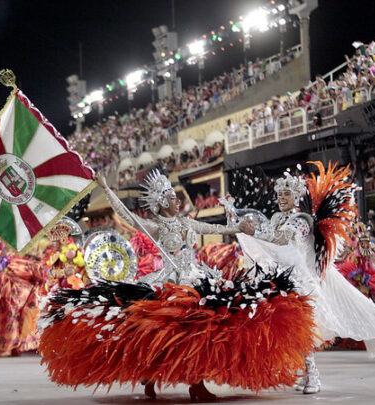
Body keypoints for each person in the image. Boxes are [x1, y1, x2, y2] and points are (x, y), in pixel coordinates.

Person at [39, 170, 316, 401]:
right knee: (164, 330)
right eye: (171, 198)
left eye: (176, 197)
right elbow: (126, 216)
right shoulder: (156, 226)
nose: (177, 201)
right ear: (161, 204)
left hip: (196, 276)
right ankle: (152, 375)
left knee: (201, 331)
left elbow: (216, 229)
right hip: (170, 281)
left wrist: (238, 228)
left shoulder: (187, 223)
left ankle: (197, 382)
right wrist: (107, 189)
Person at [238, 164, 375, 395]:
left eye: (287, 194)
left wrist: (253, 232)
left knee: (303, 330)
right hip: (282, 281)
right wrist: (239, 225)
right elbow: (266, 236)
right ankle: (303, 373)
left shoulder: (302, 221)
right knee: (289, 330)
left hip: (302, 282)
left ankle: (313, 375)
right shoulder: (276, 217)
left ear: (296, 197)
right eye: (279, 194)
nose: (282, 198)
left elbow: (280, 238)